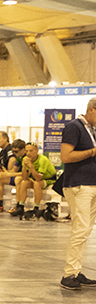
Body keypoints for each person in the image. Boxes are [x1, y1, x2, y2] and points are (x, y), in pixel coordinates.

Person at [59, 99, 96, 289]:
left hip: (92, 185)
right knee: (80, 229)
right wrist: (92, 152)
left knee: (86, 230)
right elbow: (66, 156)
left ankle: (76, 270)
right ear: (91, 110)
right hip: (79, 185)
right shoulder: (74, 127)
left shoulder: (93, 130)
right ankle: (68, 275)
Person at [17, 142, 57, 221]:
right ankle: (21, 206)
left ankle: (36, 207)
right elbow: (24, 177)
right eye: (26, 151)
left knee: (36, 183)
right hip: (37, 178)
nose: (28, 153)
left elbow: (38, 178)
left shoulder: (43, 159)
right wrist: (25, 166)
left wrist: (31, 166)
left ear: (37, 151)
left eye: (31, 151)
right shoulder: (25, 159)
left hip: (49, 179)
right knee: (23, 182)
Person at [0, 139, 26, 215]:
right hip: (19, 176)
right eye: (13, 151)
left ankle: (19, 205)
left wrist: (8, 174)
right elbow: (14, 170)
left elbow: (26, 174)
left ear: (23, 150)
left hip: (28, 178)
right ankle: (0, 203)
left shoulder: (26, 157)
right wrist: (6, 173)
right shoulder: (19, 157)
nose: (14, 153)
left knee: (18, 179)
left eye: (16, 151)